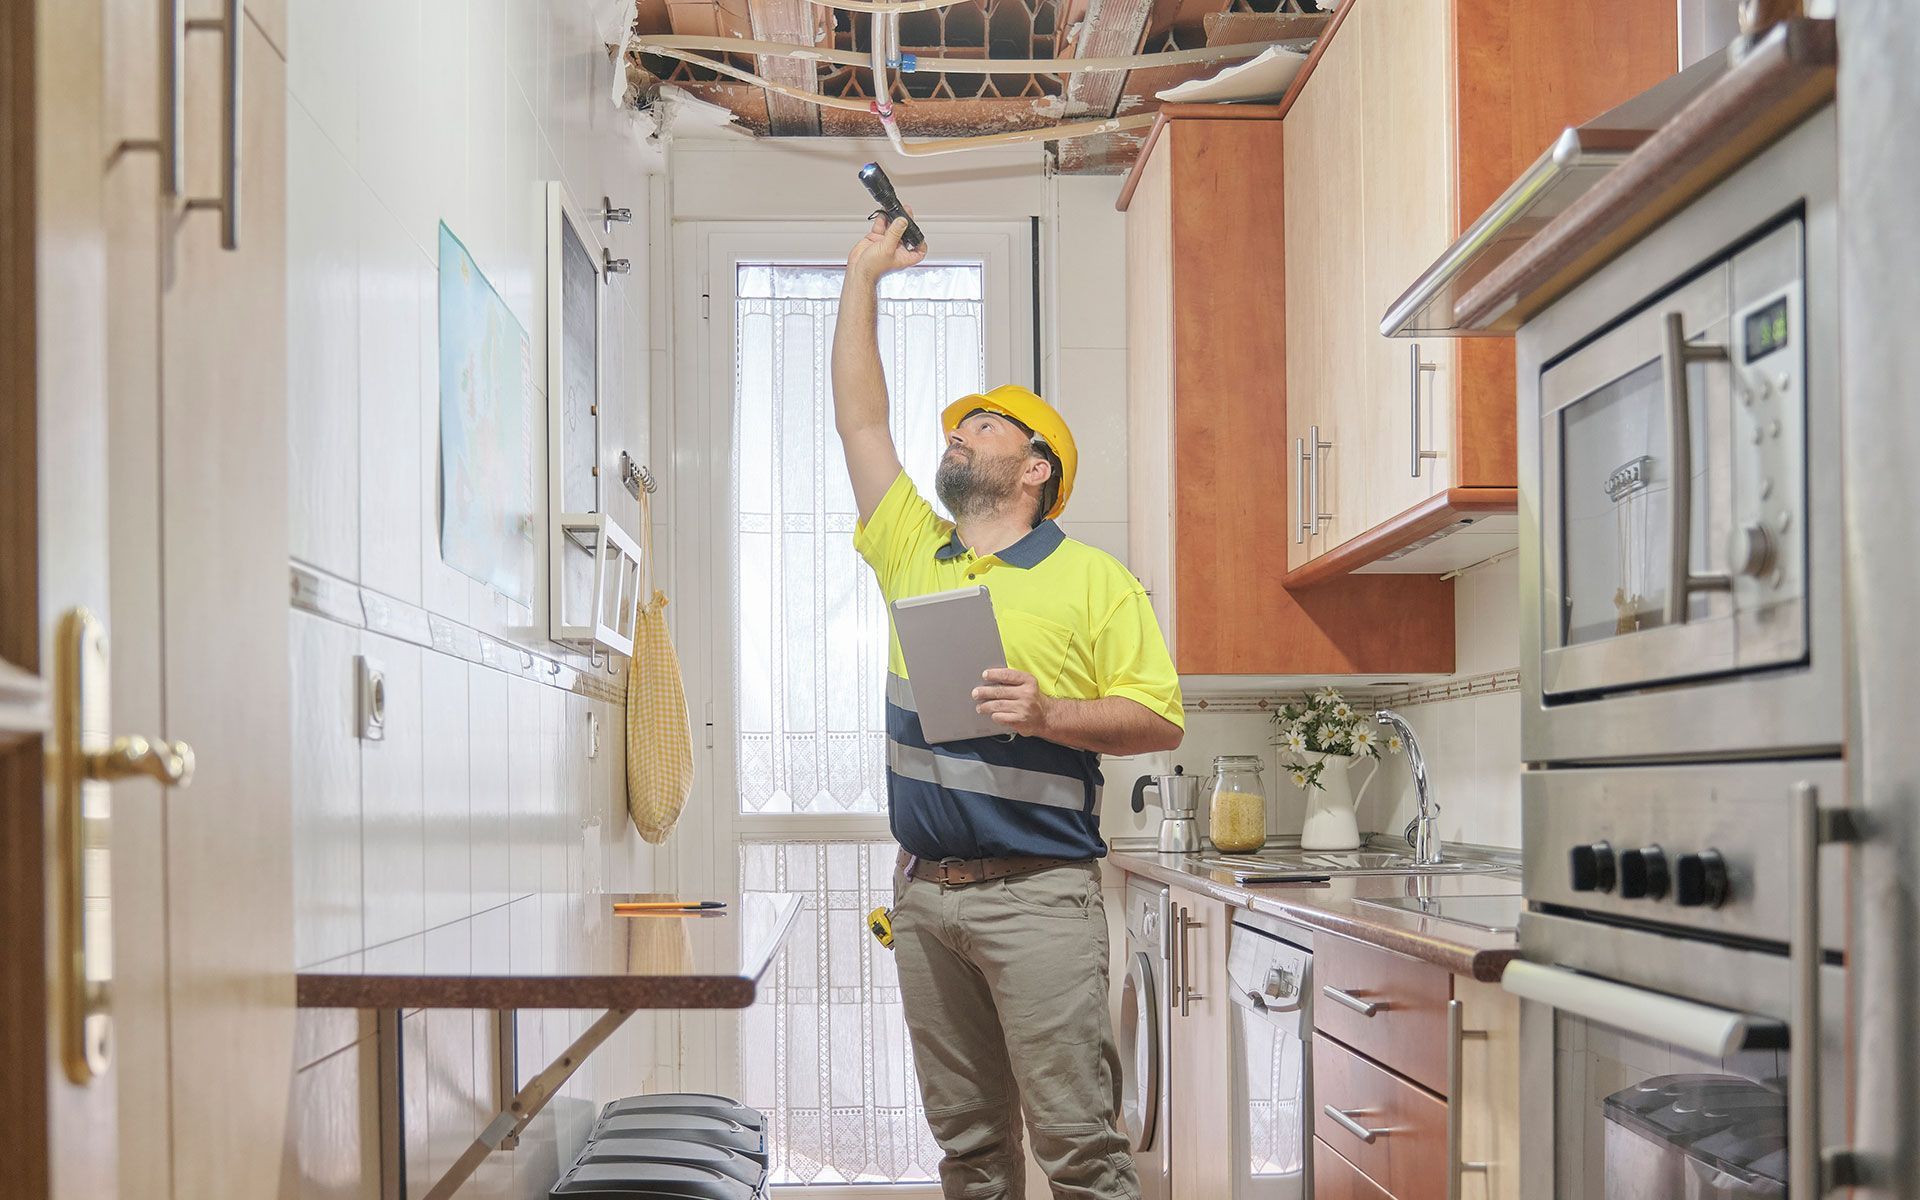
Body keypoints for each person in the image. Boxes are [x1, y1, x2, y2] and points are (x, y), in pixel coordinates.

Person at [833, 212, 1185, 1199]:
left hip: (1041, 895)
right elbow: (861, 420)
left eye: (984, 424)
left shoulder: (1093, 581)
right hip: (925, 896)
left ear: (1037, 469)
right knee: (972, 1154)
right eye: (957, 424)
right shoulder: (915, 547)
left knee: (1078, 1148)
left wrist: (1049, 714)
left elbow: (1158, 717)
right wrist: (865, 277)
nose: (959, 432)